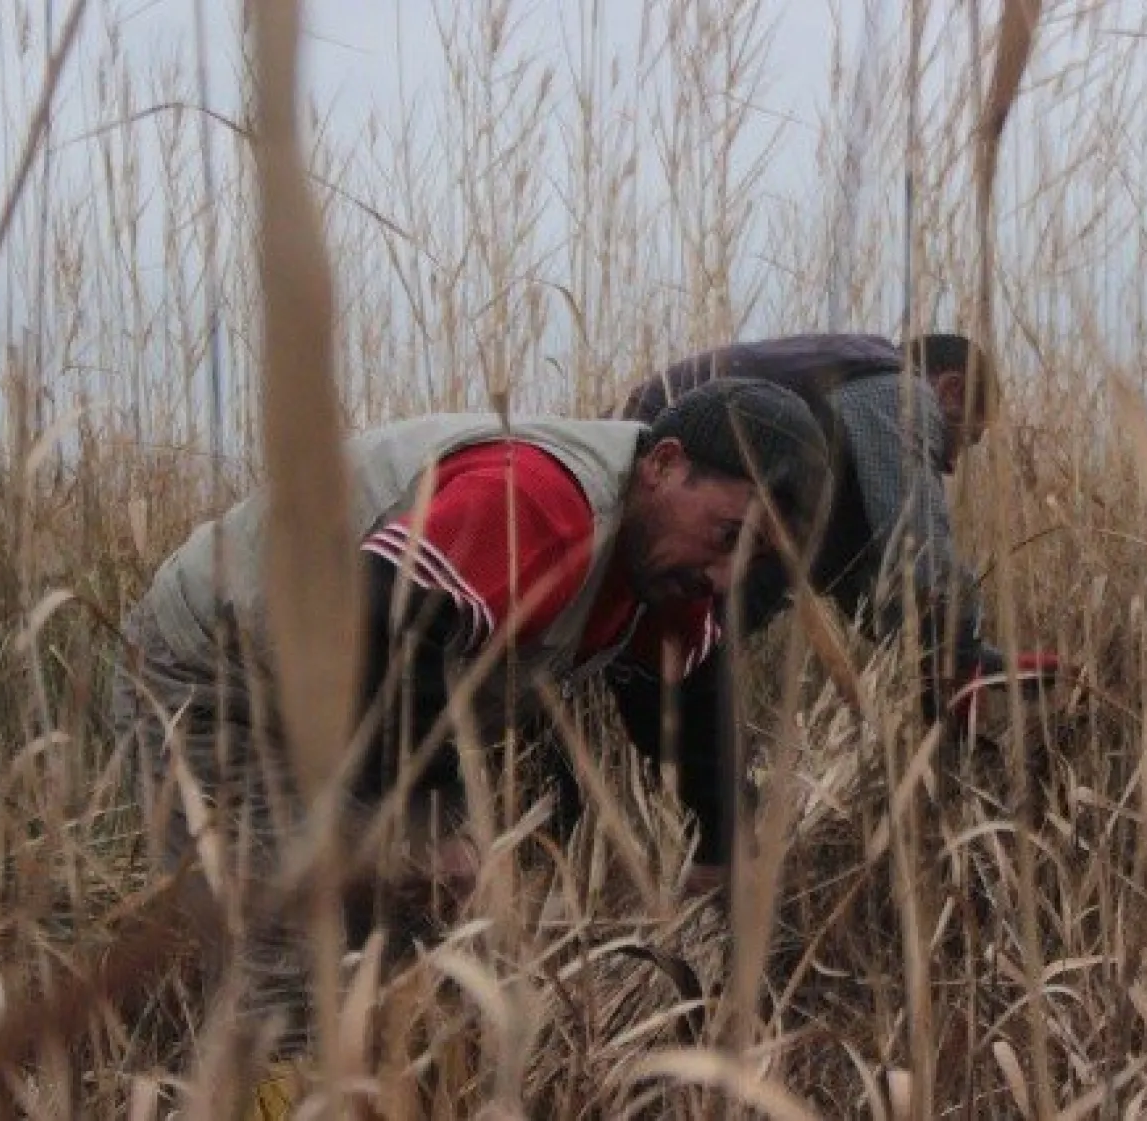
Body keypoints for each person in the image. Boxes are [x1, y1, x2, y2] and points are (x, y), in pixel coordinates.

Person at [110, 377, 830, 1061]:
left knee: (414, 951)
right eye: (729, 536)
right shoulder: (541, 501)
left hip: (354, 697)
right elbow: (376, 623)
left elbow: (687, 700)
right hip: (218, 679)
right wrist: (432, 815)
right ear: (664, 466)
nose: (725, 577)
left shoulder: (670, 571)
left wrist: (723, 840)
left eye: (756, 557)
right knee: (284, 970)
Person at [622, 332, 1053, 731]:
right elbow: (919, 546)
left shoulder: (847, 443)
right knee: (745, 583)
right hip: (663, 467)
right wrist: (960, 639)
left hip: (647, 464)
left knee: (706, 619)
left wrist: (981, 660)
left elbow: (873, 591)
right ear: (951, 390)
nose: (953, 464)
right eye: (968, 437)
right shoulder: (900, 390)